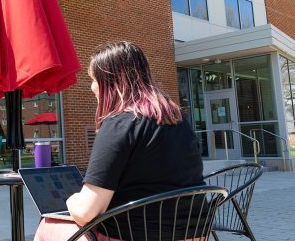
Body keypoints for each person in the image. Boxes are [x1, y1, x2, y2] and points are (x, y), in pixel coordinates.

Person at [34, 41, 205, 241]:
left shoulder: (119, 124)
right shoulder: (177, 118)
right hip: (194, 236)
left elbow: (86, 212)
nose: (92, 87)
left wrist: (71, 199)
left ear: (111, 81)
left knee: (49, 225)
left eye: (94, 79)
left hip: (134, 236)